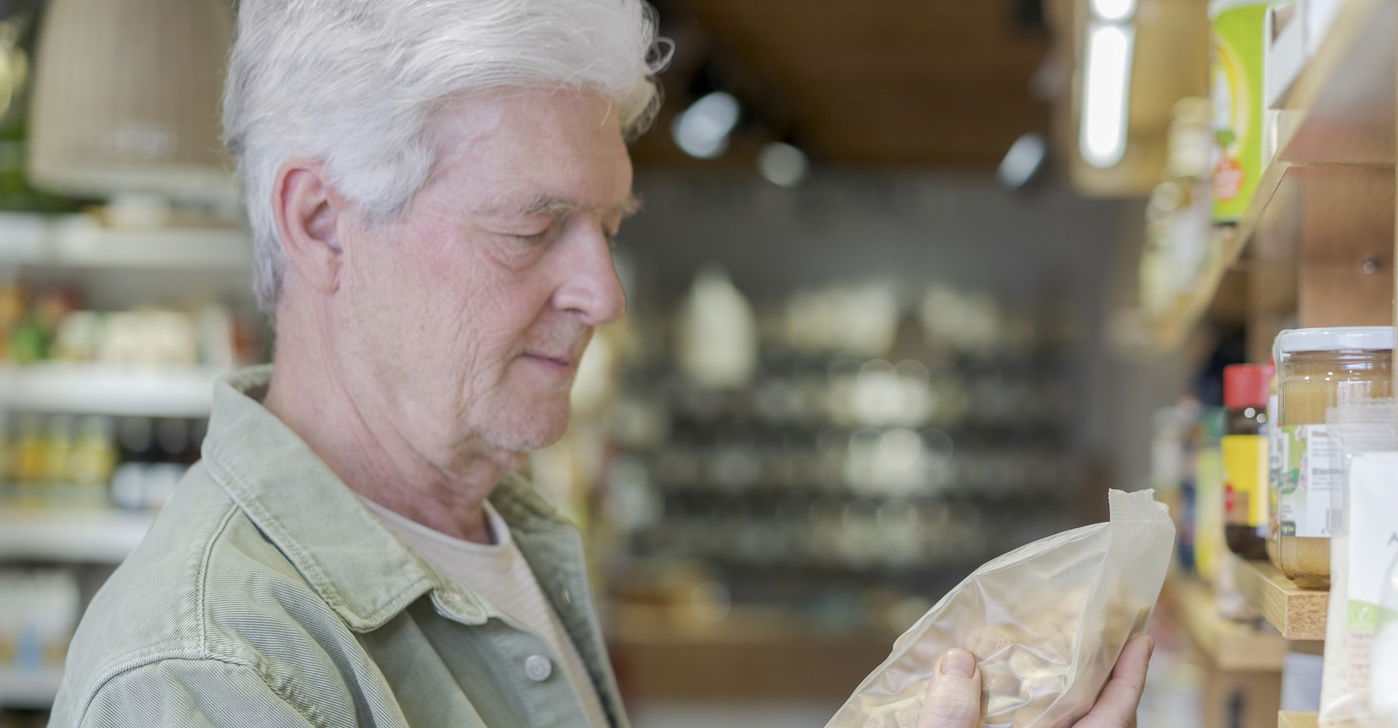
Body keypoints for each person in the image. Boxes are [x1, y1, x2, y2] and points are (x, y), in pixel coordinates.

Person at [47, 1, 1152, 726]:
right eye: (532, 230)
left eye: (606, 228)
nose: (603, 295)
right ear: (324, 224)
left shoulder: (503, 530)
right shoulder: (209, 676)